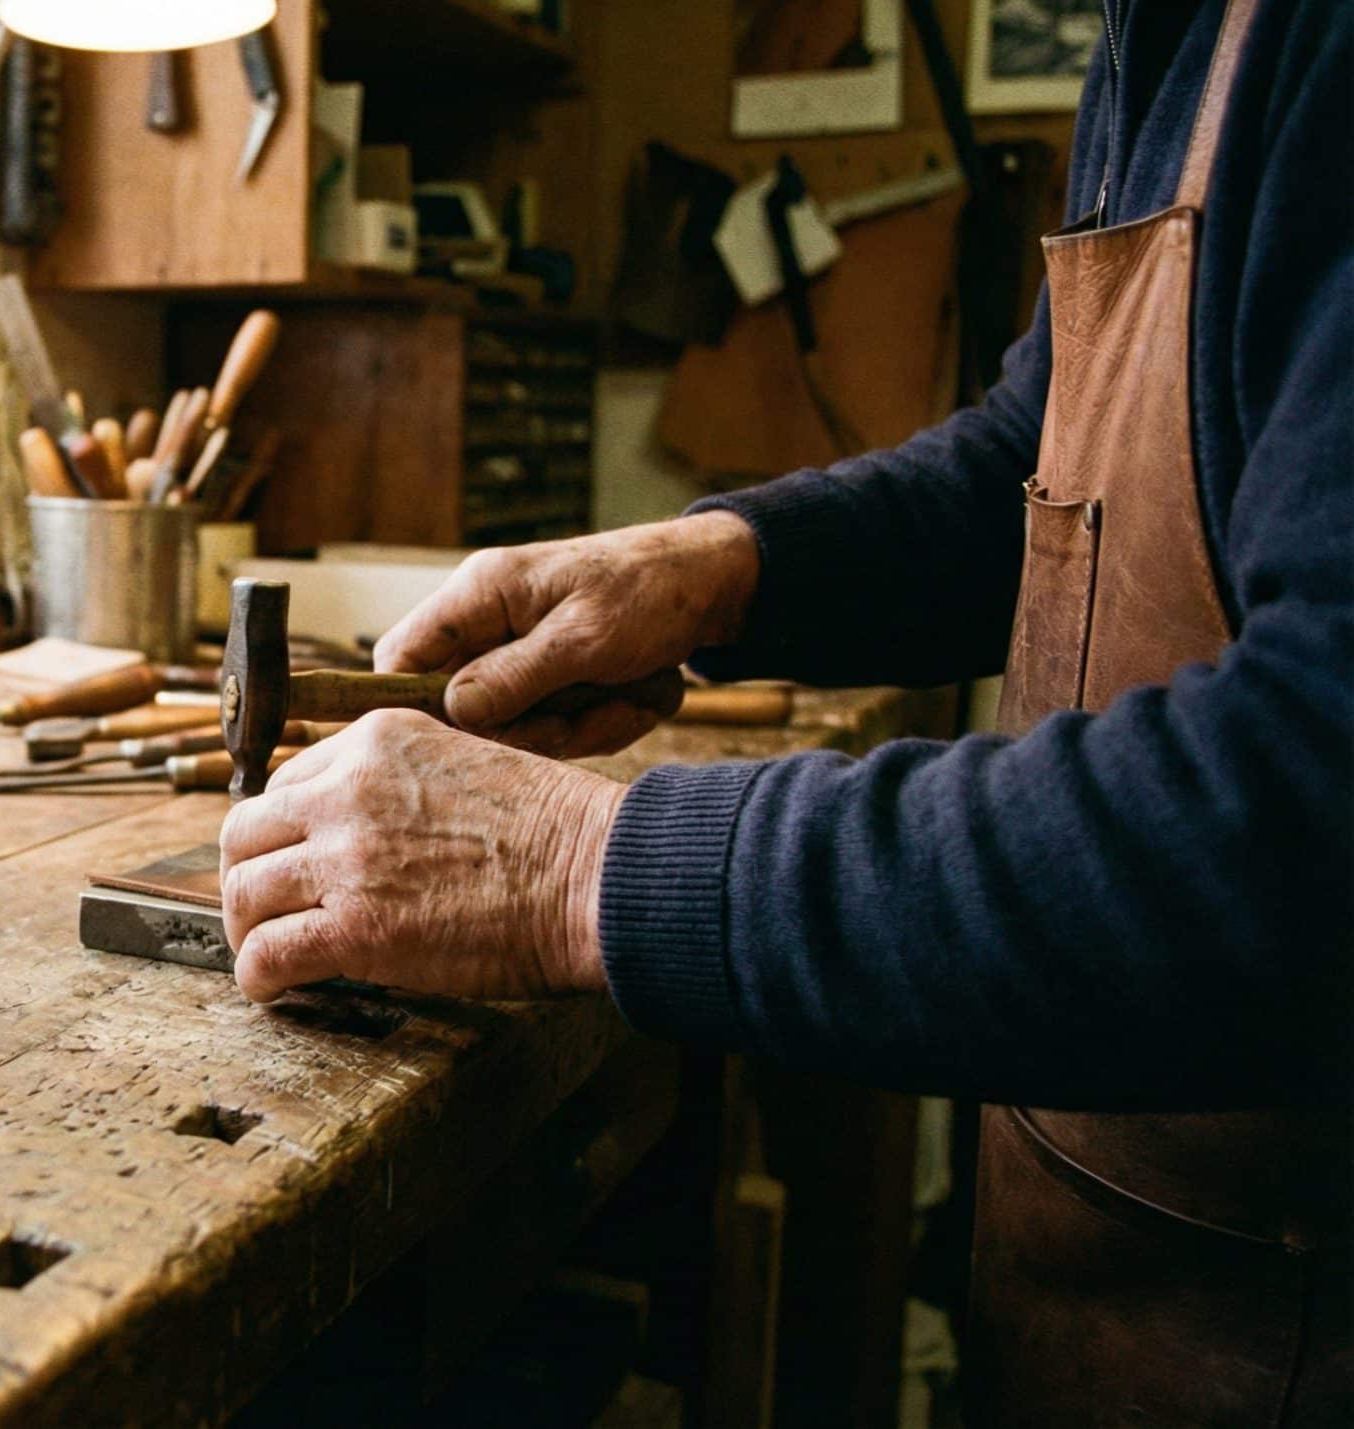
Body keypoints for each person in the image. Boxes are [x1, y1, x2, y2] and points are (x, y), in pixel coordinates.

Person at [215, 0, 1349, 1421]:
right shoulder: (1166, 32)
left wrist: (583, 866)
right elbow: (1039, 448)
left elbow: (1309, 817)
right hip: (1122, 1266)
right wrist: (717, 564)